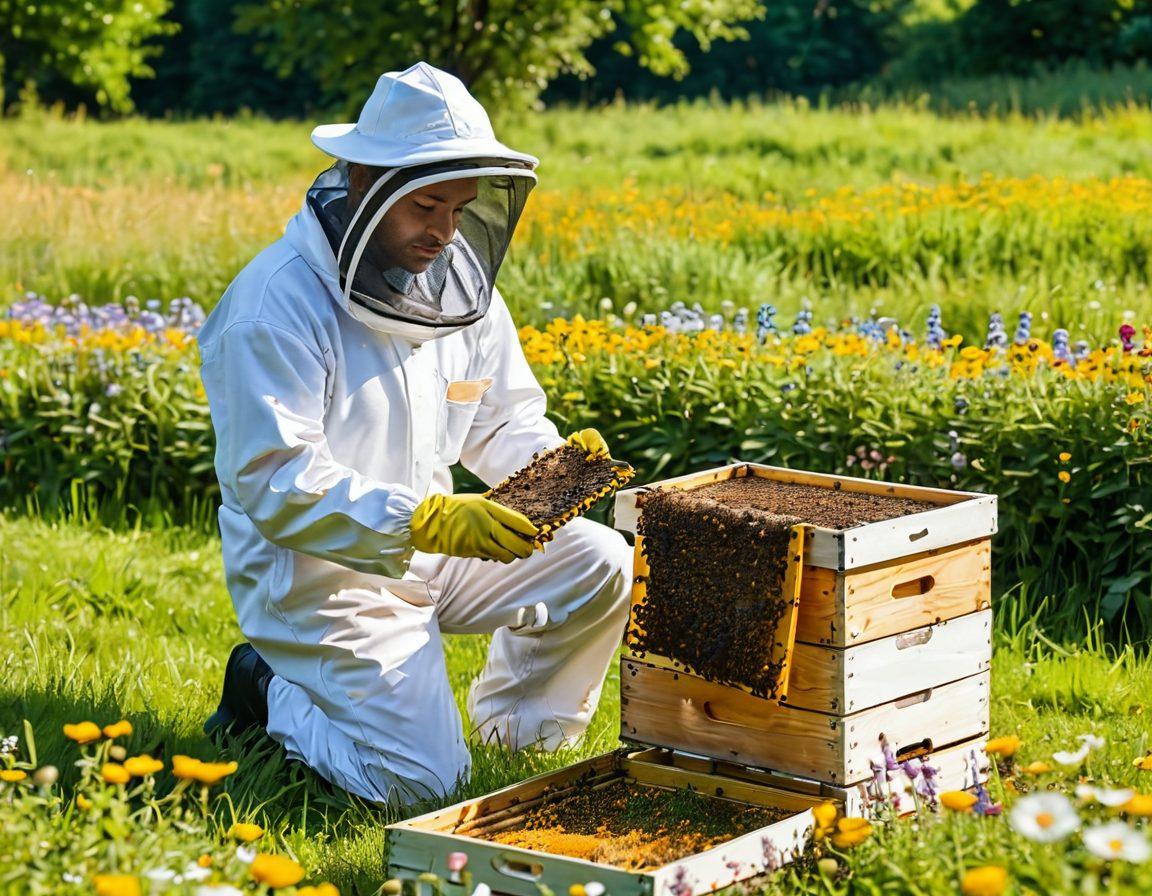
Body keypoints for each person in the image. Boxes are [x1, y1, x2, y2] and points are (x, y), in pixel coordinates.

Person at [196, 62, 632, 805]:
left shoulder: (460, 292)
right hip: (320, 578)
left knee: (601, 562)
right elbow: (272, 479)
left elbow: (503, 420)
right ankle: (265, 693)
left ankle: (516, 737)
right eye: (427, 205)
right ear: (365, 182)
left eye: (460, 209)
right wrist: (423, 518)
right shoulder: (276, 305)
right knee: (420, 785)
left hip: (432, 551)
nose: (445, 231)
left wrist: (557, 468)